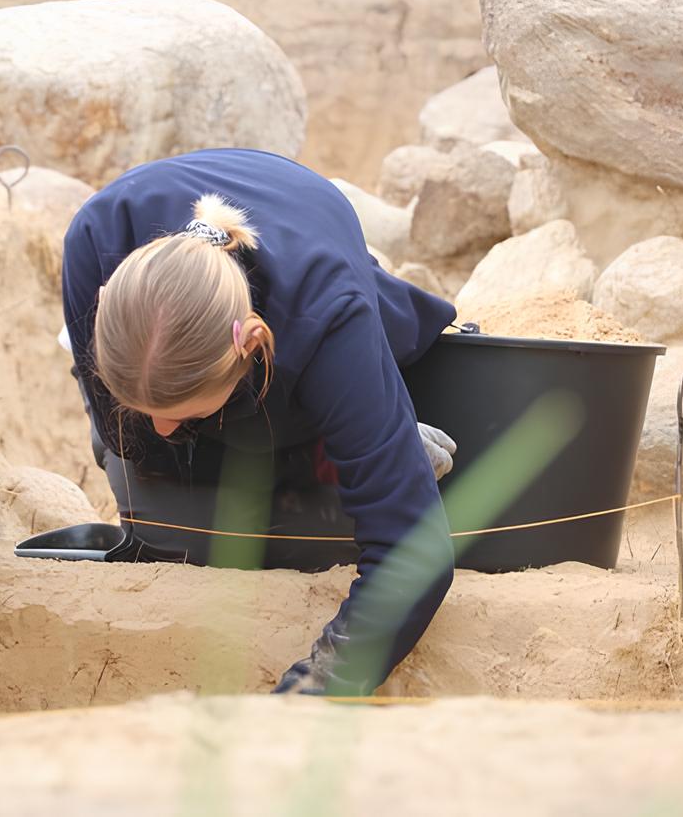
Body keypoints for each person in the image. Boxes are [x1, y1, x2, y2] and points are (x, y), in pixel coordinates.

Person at [61, 147, 458, 695]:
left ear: (250, 343)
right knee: (147, 479)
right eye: (147, 409)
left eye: (184, 414)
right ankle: (348, 449)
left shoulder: (330, 319)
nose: (163, 429)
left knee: (269, 517)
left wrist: (306, 696)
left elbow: (415, 554)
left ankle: (357, 436)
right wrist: (154, 423)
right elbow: (135, 440)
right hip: (185, 293)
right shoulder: (94, 245)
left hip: (307, 294)